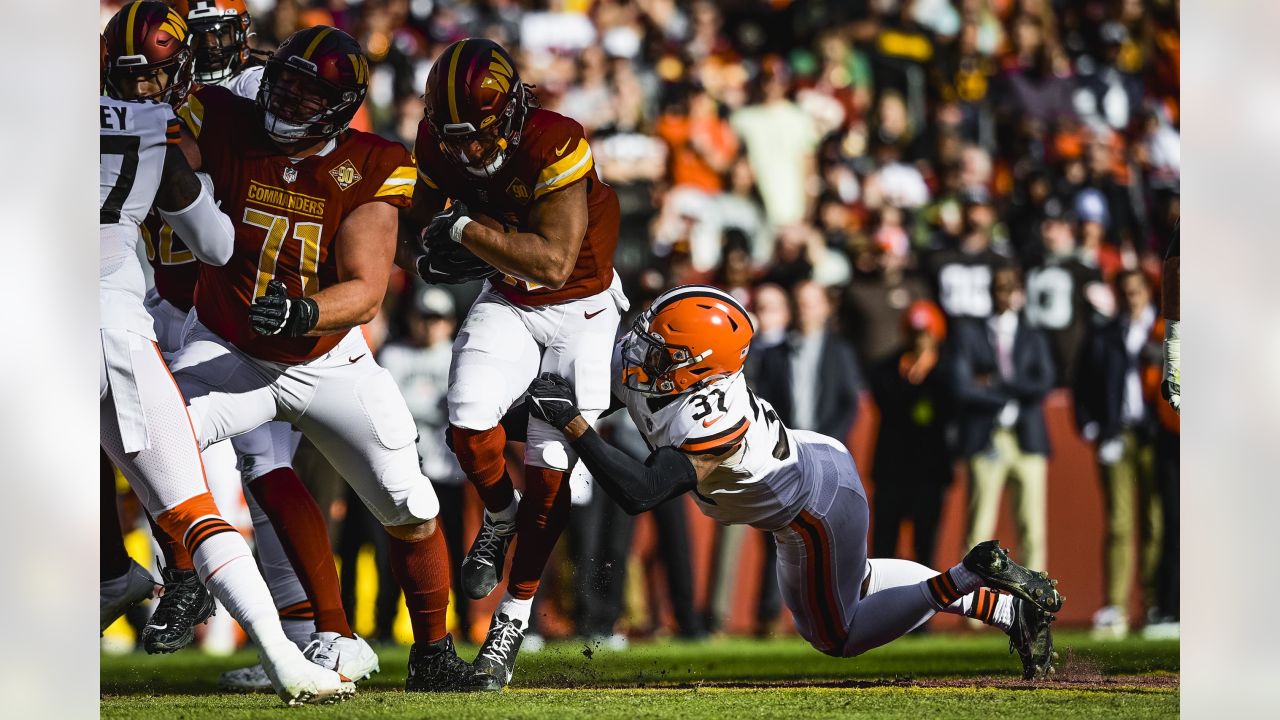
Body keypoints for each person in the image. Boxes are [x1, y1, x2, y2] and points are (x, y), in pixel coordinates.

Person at [160, 25, 486, 692]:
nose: (285, 101)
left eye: (307, 95)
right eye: (281, 84)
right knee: (144, 437)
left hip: (325, 357)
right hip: (228, 346)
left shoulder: (369, 161)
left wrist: (305, 311)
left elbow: (366, 291)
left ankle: (431, 652)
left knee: (410, 503)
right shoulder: (224, 117)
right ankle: (190, 580)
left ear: (340, 107)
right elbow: (154, 151)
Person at [524, 285, 1063, 680]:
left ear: (699, 366)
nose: (643, 351)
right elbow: (596, 388)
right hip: (819, 459)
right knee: (861, 582)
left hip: (810, 510)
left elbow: (640, 492)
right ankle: (1007, 608)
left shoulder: (708, 420)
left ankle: (969, 574)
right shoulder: (681, 373)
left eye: (663, 349)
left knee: (837, 635)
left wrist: (572, 423)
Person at [98, 3, 351, 705]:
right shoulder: (160, 126)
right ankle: (283, 658)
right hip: (117, 325)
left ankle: (121, 579)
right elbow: (214, 244)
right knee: (194, 507)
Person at [406, 37, 627, 689]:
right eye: (455, 140)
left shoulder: (555, 141)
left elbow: (554, 262)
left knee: (551, 474)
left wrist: (463, 231)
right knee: (468, 421)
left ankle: (511, 619)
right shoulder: (437, 143)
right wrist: (425, 248)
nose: (469, 152)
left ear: (510, 113)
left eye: (478, 135)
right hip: (509, 297)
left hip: (582, 311)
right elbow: (414, 226)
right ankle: (498, 516)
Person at [1075, 271, 1164, 638]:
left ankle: (1156, 602)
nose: (1132, 299)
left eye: (1137, 292)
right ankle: (1116, 605)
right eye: (1125, 293)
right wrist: (1091, 425)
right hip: (1118, 433)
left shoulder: (1165, 331)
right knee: (1120, 521)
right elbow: (1082, 381)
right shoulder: (1106, 333)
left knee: (1156, 521)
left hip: (1156, 435)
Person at [950, 264, 1055, 572]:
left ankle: (1034, 604)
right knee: (978, 526)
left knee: (1032, 526)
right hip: (987, 437)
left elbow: (1044, 382)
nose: (1006, 295)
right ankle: (972, 606)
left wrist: (995, 383)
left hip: (1027, 437)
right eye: (1000, 288)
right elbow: (961, 386)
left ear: (1021, 293)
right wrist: (1009, 391)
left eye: (1011, 288)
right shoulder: (971, 332)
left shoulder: (1032, 335)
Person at [379, 286, 470, 638]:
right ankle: (384, 623)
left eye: (438, 318)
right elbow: (391, 410)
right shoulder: (395, 354)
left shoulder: (457, 355)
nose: (431, 326)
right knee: (398, 544)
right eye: (425, 318)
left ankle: (462, 622)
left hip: (448, 466)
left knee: (457, 548)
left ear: (450, 322)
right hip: (406, 468)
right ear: (412, 319)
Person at [868, 300, 953, 568]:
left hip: (929, 471)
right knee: (884, 545)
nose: (920, 341)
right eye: (915, 334)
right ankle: (879, 605)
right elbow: (885, 398)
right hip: (892, 468)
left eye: (926, 334)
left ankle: (925, 606)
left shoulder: (947, 371)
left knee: (925, 546)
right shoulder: (887, 369)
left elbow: (953, 401)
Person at [754, 280, 863, 443]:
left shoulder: (840, 352)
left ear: (826, 307)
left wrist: (830, 440)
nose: (803, 310)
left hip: (827, 444)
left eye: (810, 305)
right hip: (786, 447)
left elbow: (849, 402)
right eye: (799, 303)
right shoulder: (775, 354)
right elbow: (765, 400)